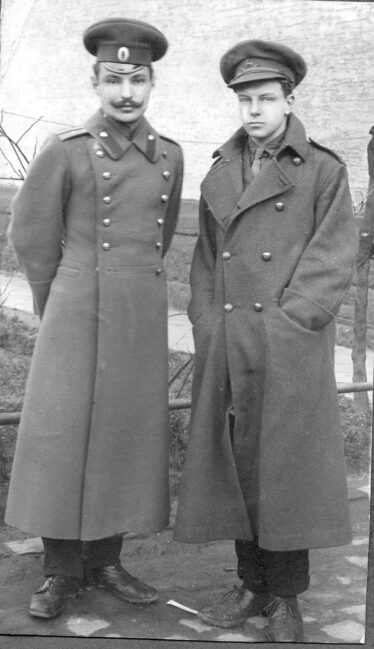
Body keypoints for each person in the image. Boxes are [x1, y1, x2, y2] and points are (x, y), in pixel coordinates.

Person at [174, 40, 356, 642]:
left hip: (287, 343)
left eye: (266, 99)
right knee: (234, 465)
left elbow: (333, 255)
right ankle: (250, 586)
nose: (254, 110)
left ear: (288, 100)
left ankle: (286, 598)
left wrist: (294, 321)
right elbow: (203, 258)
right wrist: (204, 318)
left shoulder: (324, 170)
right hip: (228, 338)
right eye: (245, 99)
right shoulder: (221, 169)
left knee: (286, 468)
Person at [5, 17, 183, 619]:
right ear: (96, 81)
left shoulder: (170, 156)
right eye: (114, 79)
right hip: (76, 308)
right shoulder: (66, 149)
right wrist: (57, 303)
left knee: (123, 434)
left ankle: (106, 560)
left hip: (138, 312)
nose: (126, 92)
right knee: (62, 435)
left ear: (152, 82)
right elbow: (30, 235)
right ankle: (60, 571)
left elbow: (156, 240)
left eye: (137, 79)